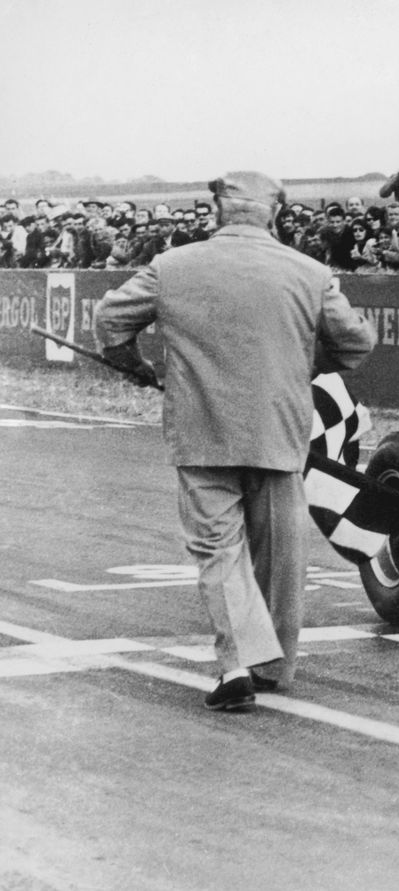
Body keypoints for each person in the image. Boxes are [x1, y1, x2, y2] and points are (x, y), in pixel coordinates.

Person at [92, 171, 375, 712]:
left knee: (219, 551)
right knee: (281, 553)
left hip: (202, 431)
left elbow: (110, 321)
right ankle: (271, 667)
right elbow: (356, 343)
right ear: (274, 214)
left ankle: (237, 664)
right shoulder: (311, 272)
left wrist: (136, 366)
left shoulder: (172, 266)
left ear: (217, 211)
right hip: (279, 428)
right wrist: (304, 366)